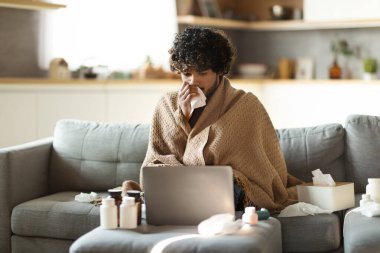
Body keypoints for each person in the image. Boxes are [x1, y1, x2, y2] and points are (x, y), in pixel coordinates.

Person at [138, 26, 301, 213]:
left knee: (231, 190)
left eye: (202, 73)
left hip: (228, 191)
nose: (193, 81)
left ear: (219, 71)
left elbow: (266, 166)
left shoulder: (245, 105)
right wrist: (183, 118)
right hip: (180, 187)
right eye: (186, 73)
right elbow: (158, 161)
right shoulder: (166, 105)